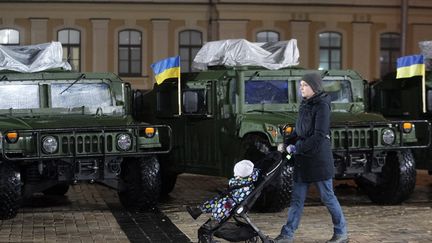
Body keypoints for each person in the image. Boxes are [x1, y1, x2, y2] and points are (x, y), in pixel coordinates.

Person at [274, 73, 348, 243]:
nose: (301, 88)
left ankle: (341, 232)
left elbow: (319, 135)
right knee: (297, 200)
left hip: (318, 160)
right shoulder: (305, 104)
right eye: (301, 85)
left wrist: (297, 147)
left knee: (327, 197)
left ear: (314, 87)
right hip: (303, 161)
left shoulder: (322, 106)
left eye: (305, 85)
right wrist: (288, 142)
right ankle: (287, 234)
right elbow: (300, 129)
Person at [186, 159, 260, 222]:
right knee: (214, 201)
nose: (236, 176)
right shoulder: (247, 179)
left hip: (232, 203)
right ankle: (198, 211)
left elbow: (237, 195)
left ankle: (212, 224)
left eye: (238, 175)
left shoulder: (244, 185)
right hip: (231, 198)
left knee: (220, 207)